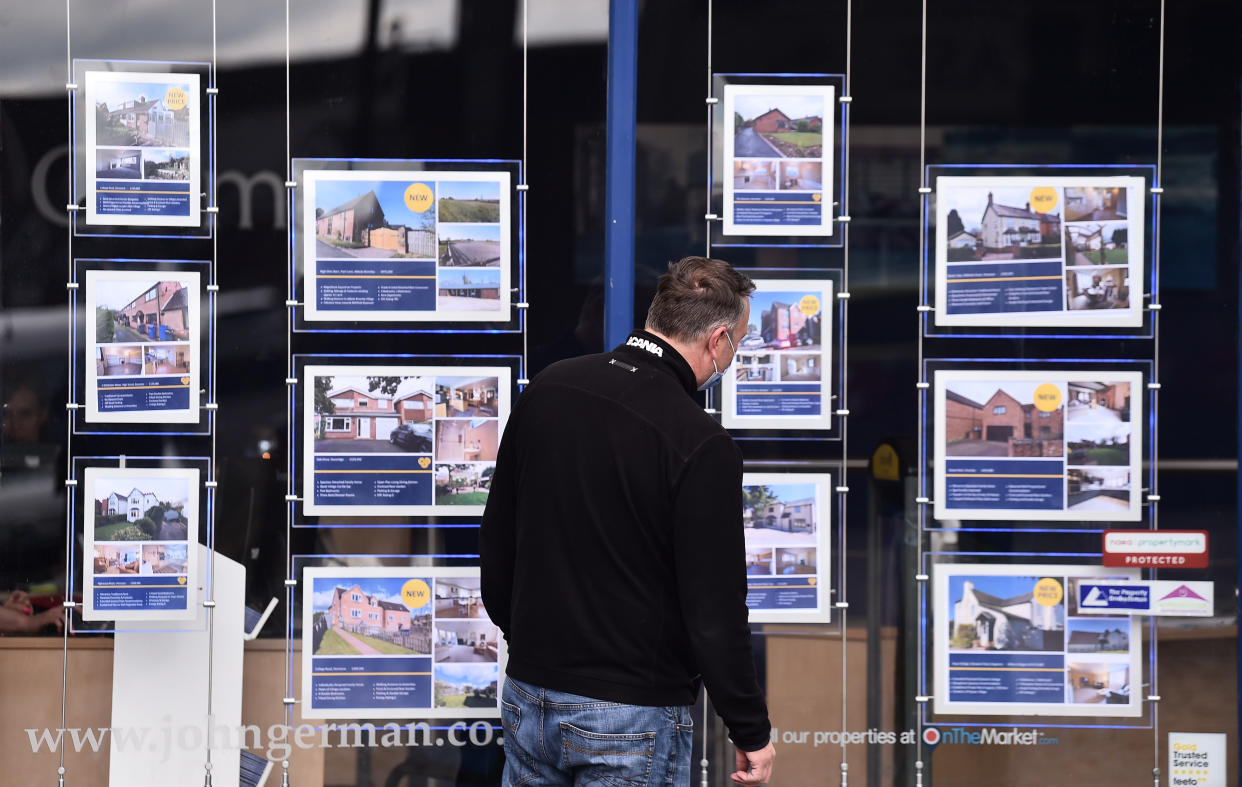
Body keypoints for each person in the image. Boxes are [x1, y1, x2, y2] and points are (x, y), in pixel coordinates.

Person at [481, 256, 774, 786]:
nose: (733, 358)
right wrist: (749, 730)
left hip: (530, 693)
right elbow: (715, 609)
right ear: (719, 340)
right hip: (631, 710)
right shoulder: (698, 442)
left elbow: (497, 537)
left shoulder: (550, 388)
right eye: (739, 345)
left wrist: (526, 641)